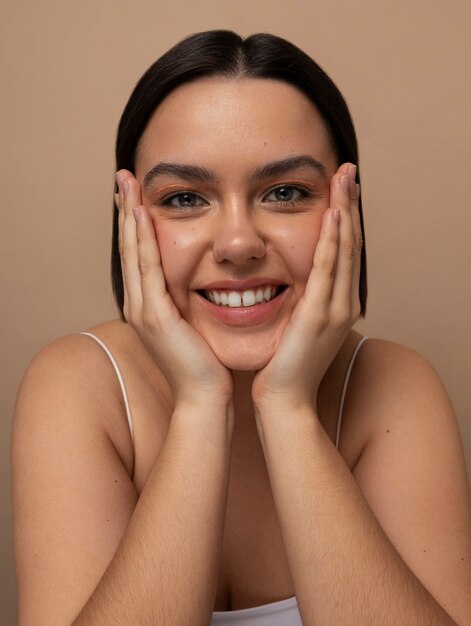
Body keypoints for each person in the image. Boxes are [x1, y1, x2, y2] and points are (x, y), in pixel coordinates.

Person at [11, 30, 471, 626]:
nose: (237, 244)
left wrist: (288, 408)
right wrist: (201, 406)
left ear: (346, 209)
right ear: (128, 219)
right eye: (183, 199)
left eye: (284, 192)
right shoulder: (76, 386)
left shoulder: (396, 387)